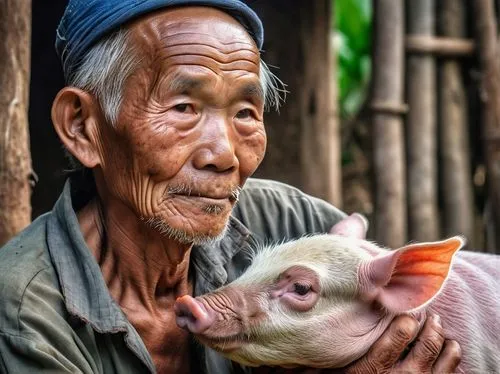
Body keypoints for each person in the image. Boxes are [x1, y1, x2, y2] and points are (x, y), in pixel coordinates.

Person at [0, 0, 461, 373]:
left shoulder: (293, 225)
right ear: (84, 127)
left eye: (244, 113)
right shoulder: (26, 316)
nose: (224, 155)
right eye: (183, 108)